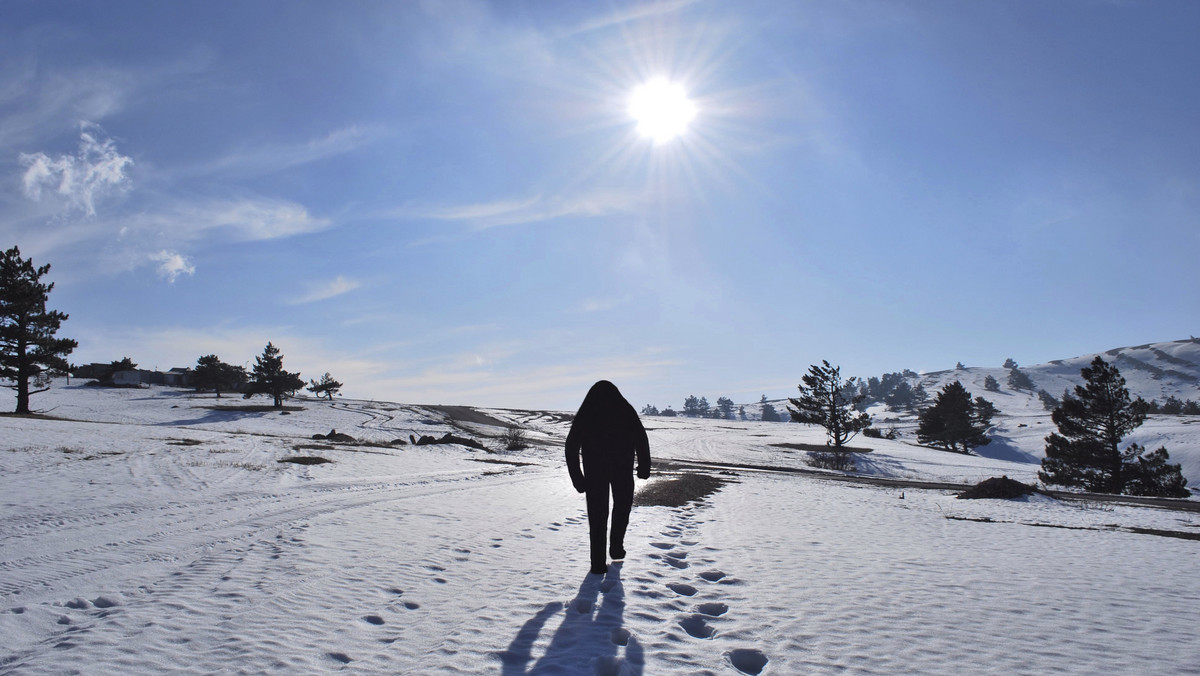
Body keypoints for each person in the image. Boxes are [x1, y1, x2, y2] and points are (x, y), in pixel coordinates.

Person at [565, 380, 651, 575]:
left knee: (597, 516)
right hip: (622, 469)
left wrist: (577, 478)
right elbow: (641, 437)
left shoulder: (587, 412)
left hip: (595, 472)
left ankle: (597, 563)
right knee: (622, 507)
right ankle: (616, 547)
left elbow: (571, 447)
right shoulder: (625, 409)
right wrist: (644, 467)